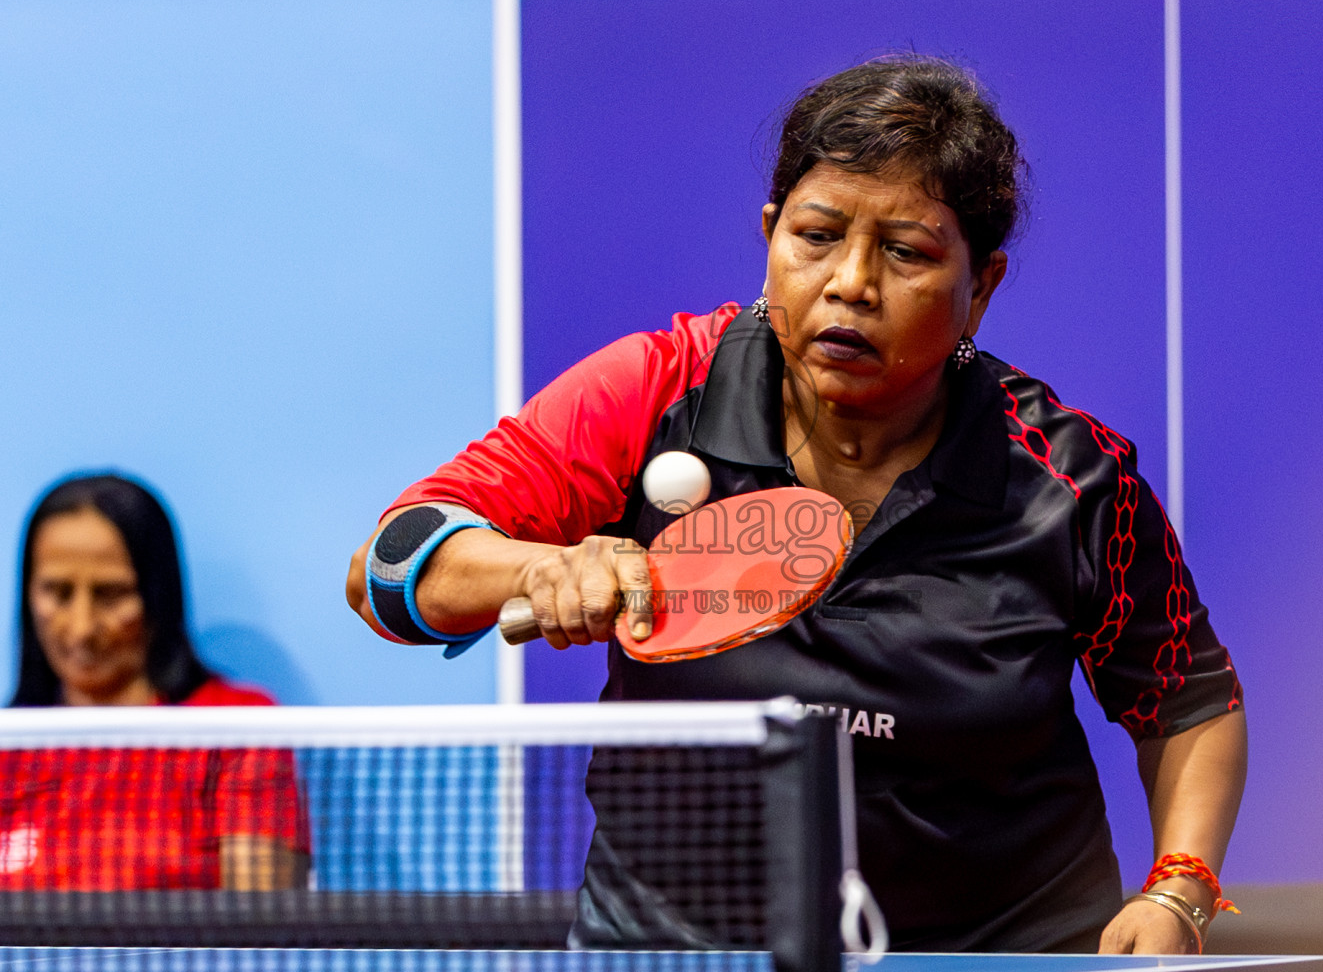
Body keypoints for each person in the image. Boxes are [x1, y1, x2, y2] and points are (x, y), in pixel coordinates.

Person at [347, 55, 1246, 955]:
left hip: (994, 949)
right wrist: (543, 566)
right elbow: (389, 568)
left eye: (906, 252)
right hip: (680, 951)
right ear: (772, 235)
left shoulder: (1067, 478)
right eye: (817, 236)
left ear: (982, 288)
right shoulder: (658, 391)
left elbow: (1187, 701)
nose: (851, 282)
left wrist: (1179, 891)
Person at [3, 473, 310, 890]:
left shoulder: (237, 728)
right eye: (57, 592)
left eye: (112, 594)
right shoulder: (11, 747)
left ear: (157, 594)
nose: (81, 629)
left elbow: (261, 929)